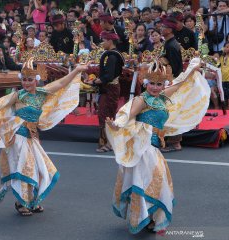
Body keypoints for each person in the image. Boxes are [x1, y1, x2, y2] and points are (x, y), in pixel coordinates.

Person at [106, 57, 210, 234]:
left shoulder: (162, 97)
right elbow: (127, 116)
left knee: (156, 182)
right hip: (143, 149)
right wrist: (116, 124)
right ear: (145, 83)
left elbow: (180, 84)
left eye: (159, 84)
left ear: (163, 85)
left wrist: (192, 68)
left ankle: (150, 217)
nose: (155, 87)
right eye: (152, 83)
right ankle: (144, 218)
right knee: (152, 182)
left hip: (153, 149)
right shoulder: (142, 100)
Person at [0, 58, 90, 216]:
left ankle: (32, 200)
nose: (26, 83)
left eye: (30, 80)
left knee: (39, 169)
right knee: (25, 169)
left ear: (36, 80)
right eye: (24, 80)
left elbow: (62, 83)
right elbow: (1, 103)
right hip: (18, 137)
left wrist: (77, 70)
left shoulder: (43, 93)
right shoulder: (18, 95)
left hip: (32, 138)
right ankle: (21, 202)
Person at [94, 31, 124, 153]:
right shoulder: (113, 55)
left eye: (104, 40)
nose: (102, 43)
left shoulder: (112, 56)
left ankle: (109, 143)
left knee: (106, 115)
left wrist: (97, 81)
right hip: (109, 88)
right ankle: (106, 141)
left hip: (110, 89)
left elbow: (109, 76)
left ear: (110, 41)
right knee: (106, 113)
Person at [160, 17, 184, 152]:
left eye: (163, 27)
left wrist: (163, 63)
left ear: (169, 29)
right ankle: (173, 141)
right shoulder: (169, 43)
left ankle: (175, 142)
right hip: (171, 81)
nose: (161, 29)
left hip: (173, 82)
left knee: (172, 112)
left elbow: (175, 68)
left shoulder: (172, 45)